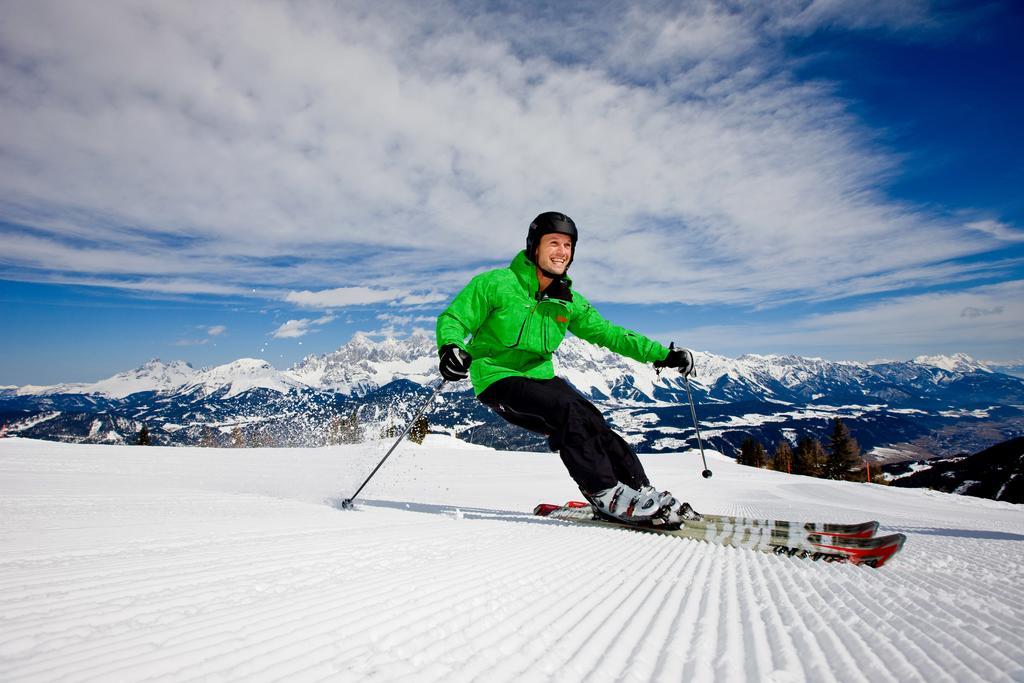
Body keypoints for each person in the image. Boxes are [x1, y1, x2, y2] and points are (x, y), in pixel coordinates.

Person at [435, 211, 697, 528]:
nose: (562, 251)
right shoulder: (495, 284)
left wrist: (662, 355)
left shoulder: (566, 300)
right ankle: (605, 493)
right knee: (567, 411)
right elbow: (455, 319)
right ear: (534, 247)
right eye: (554, 243)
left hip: (541, 377)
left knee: (591, 419)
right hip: (497, 376)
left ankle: (639, 490)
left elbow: (610, 334)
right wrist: (451, 347)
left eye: (568, 245)